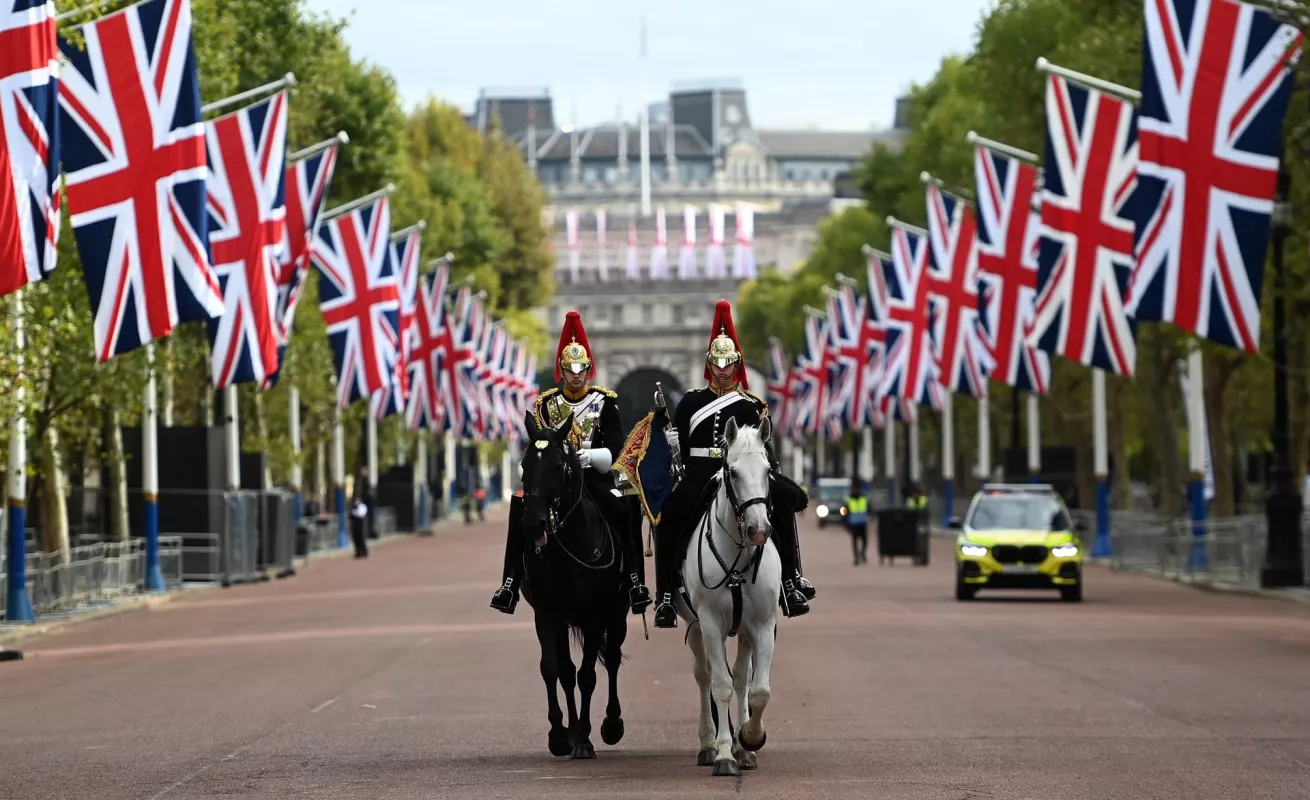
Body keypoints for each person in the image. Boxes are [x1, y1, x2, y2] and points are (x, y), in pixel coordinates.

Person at [650, 299, 815, 629]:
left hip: (743, 476)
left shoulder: (751, 406)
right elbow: (679, 449)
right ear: (709, 364)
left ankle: (791, 581)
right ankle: (666, 596)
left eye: (728, 362)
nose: (723, 368)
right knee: (669, 518)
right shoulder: (691, 402)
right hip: (699, 474)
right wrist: (672, 447)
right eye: (717, 362)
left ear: (736, 363)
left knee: (780, 506)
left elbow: (762, 450)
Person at [490, 310, 652, 616]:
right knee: (521, 510)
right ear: (562, 370)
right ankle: (510, 582)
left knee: (623, 508)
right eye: (570, 369)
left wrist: (590, 456)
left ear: (588, 369)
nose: (576, 375)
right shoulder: (546, 404)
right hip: (557, 480)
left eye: (581, 369)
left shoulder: (604, 403)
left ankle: (633, 580)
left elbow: (616, 448)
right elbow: (537, 444)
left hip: (594, 477)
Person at [846, 479, 869, 565]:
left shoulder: (863, 498)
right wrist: (846, 523)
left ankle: (862, 553)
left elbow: (869, 508)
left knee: (865, 541)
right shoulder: (849, 499)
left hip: (862, 522)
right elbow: (846, 512)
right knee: (855, 541)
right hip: (854, 523)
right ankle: (856, 558)